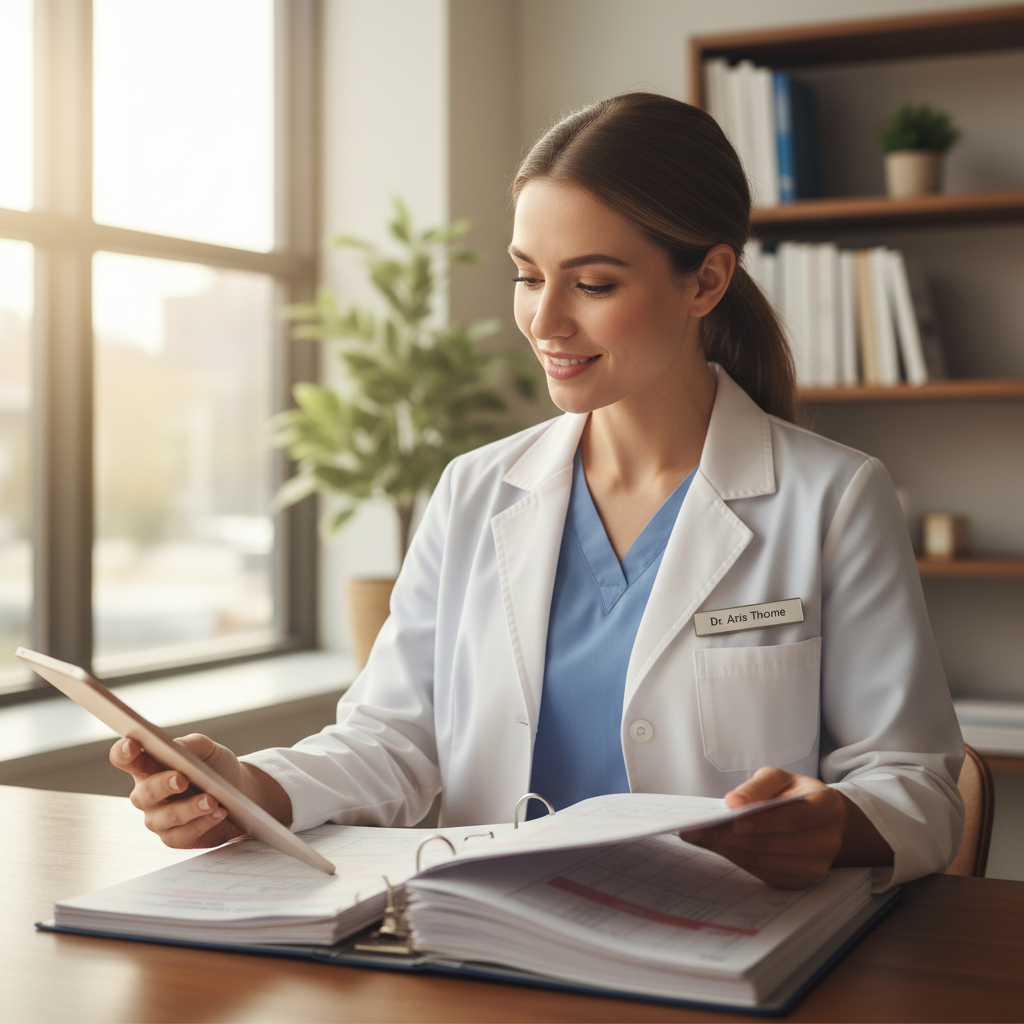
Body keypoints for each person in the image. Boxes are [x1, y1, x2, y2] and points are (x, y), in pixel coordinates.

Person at [112, 93, 964, 891]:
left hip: (721, 944)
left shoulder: (835, 498)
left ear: (705, 281)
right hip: (496, 936)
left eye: (593, 284)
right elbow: (393, 740)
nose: (545, 320)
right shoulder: (475, 490)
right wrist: (247, 785)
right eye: (528, 275)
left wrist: (836, 823)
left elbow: (916, 782)